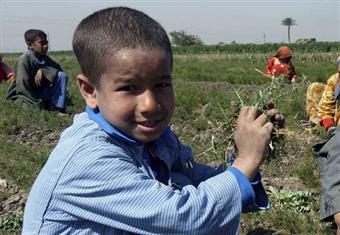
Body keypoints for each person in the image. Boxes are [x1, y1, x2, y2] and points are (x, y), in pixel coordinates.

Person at [22, 7, 284, 234]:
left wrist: (249, 147)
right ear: (90, 91)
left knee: (180, 179)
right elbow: (185, 219)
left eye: (161, 84)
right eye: (129, 88)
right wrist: (245, 161)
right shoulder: (88, 158)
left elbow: (196, 177)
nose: (150, 104)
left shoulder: (156, 137)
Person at [6, 29, 68, 113]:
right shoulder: (24, 59)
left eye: (46, 43)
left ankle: (56, 108)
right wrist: (37, 103)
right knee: (28, 108)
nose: (46, 46)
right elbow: (22, 86)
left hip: (39, 92)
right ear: (30, 45)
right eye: (42, 43)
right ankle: (43, 106)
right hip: (24, 96)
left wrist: (43, 70)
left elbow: (58, 70)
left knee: (61, 75)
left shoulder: (43, 57)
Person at [306, 56, 340, 133]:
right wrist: (329, 124)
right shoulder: (335, 80)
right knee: (314, 88)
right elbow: (326, 106)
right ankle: (317, 123)